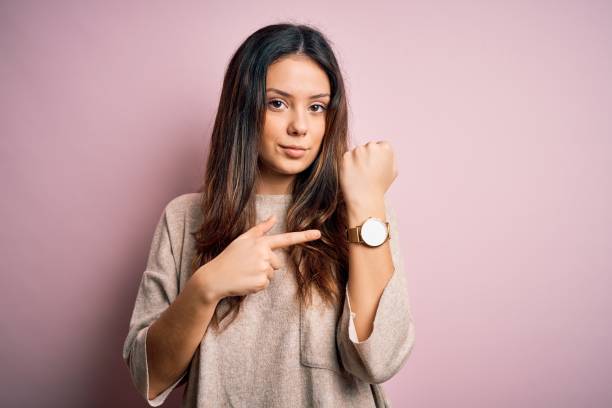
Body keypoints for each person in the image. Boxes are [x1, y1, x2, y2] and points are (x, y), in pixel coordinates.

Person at [122, 22, 415, 407]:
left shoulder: (364, 213)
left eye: (316, 107)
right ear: (243, 108)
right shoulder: (183, 218)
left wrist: (366, 205)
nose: (300, 126)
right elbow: (151, 379)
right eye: (276, 103)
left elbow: (380, 360)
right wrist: (206, 287)